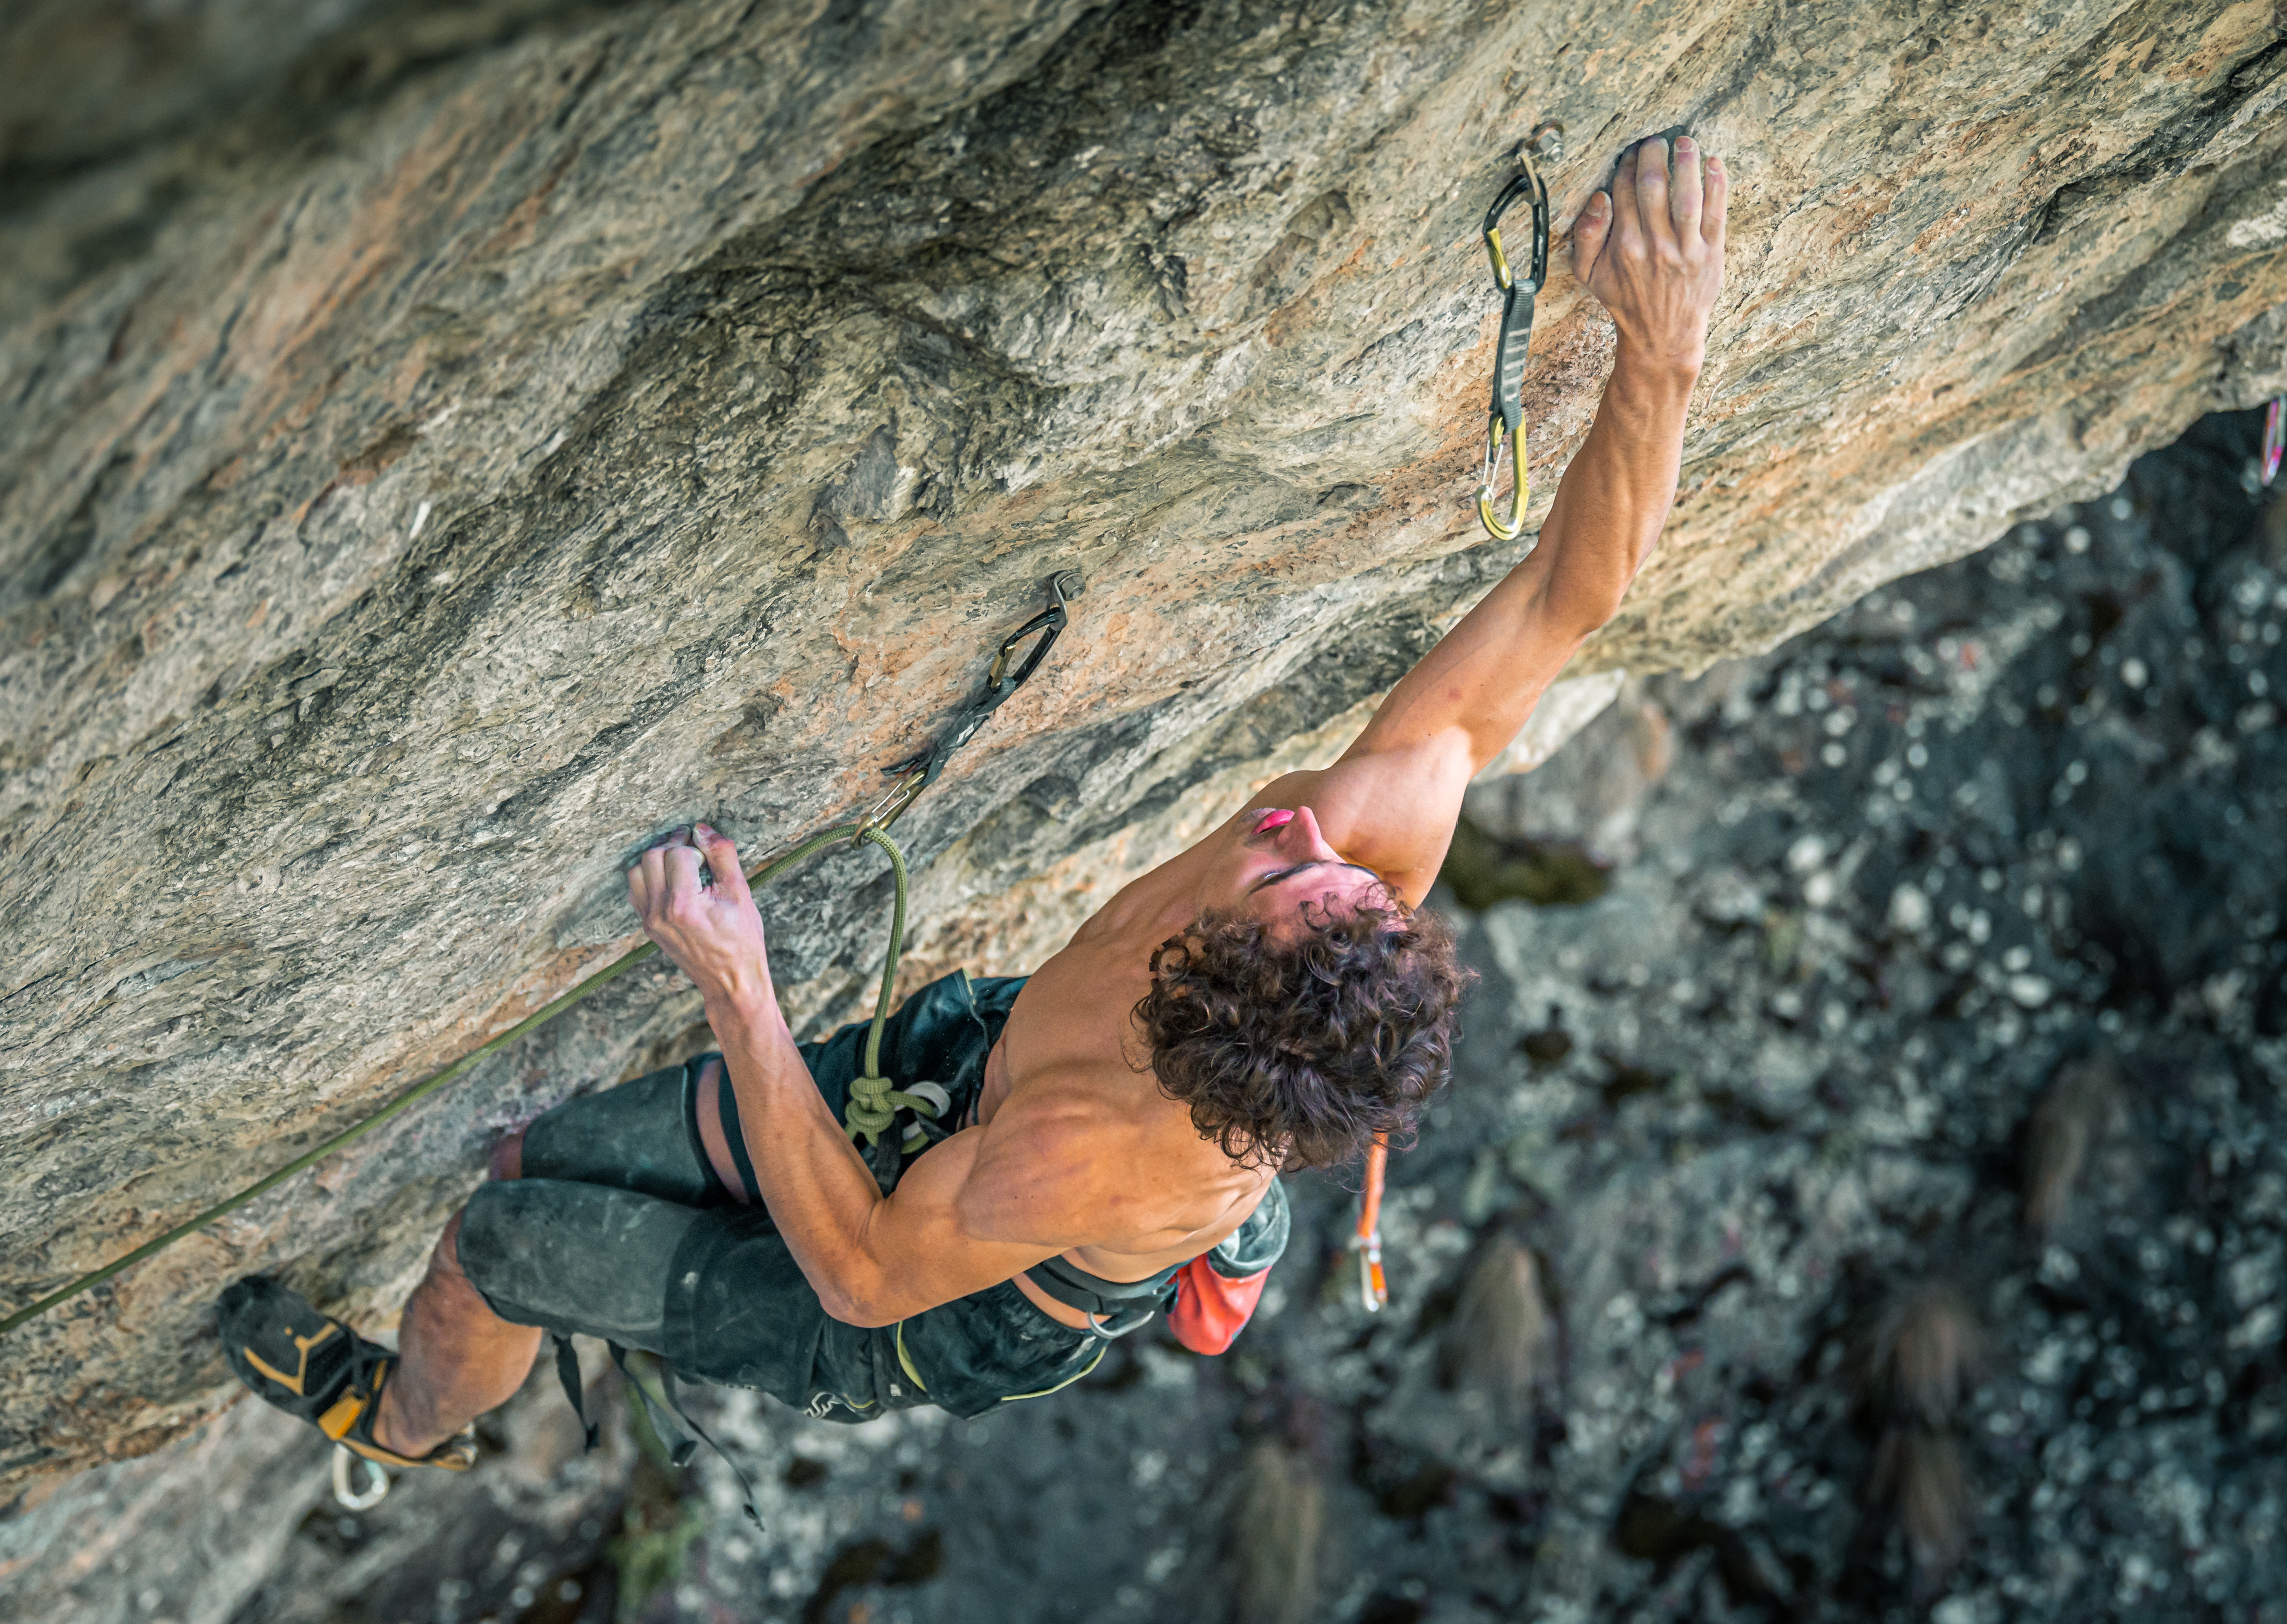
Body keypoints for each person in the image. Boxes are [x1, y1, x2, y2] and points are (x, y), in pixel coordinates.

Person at [216, 131, 1729, 1471]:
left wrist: (740, 990)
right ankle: (1247, 1233)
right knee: (540, 1153)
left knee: (496, 1233)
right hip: (993, 1067)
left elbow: (865, 1277)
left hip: (950, 1290)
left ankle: (407, 1427)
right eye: (1328, 867)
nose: (1292, 826)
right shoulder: (1354, 859)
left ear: (1200, 990)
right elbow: (1557, 605)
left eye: (1284, 879)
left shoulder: (1089, 1149)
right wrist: (1657, 355)